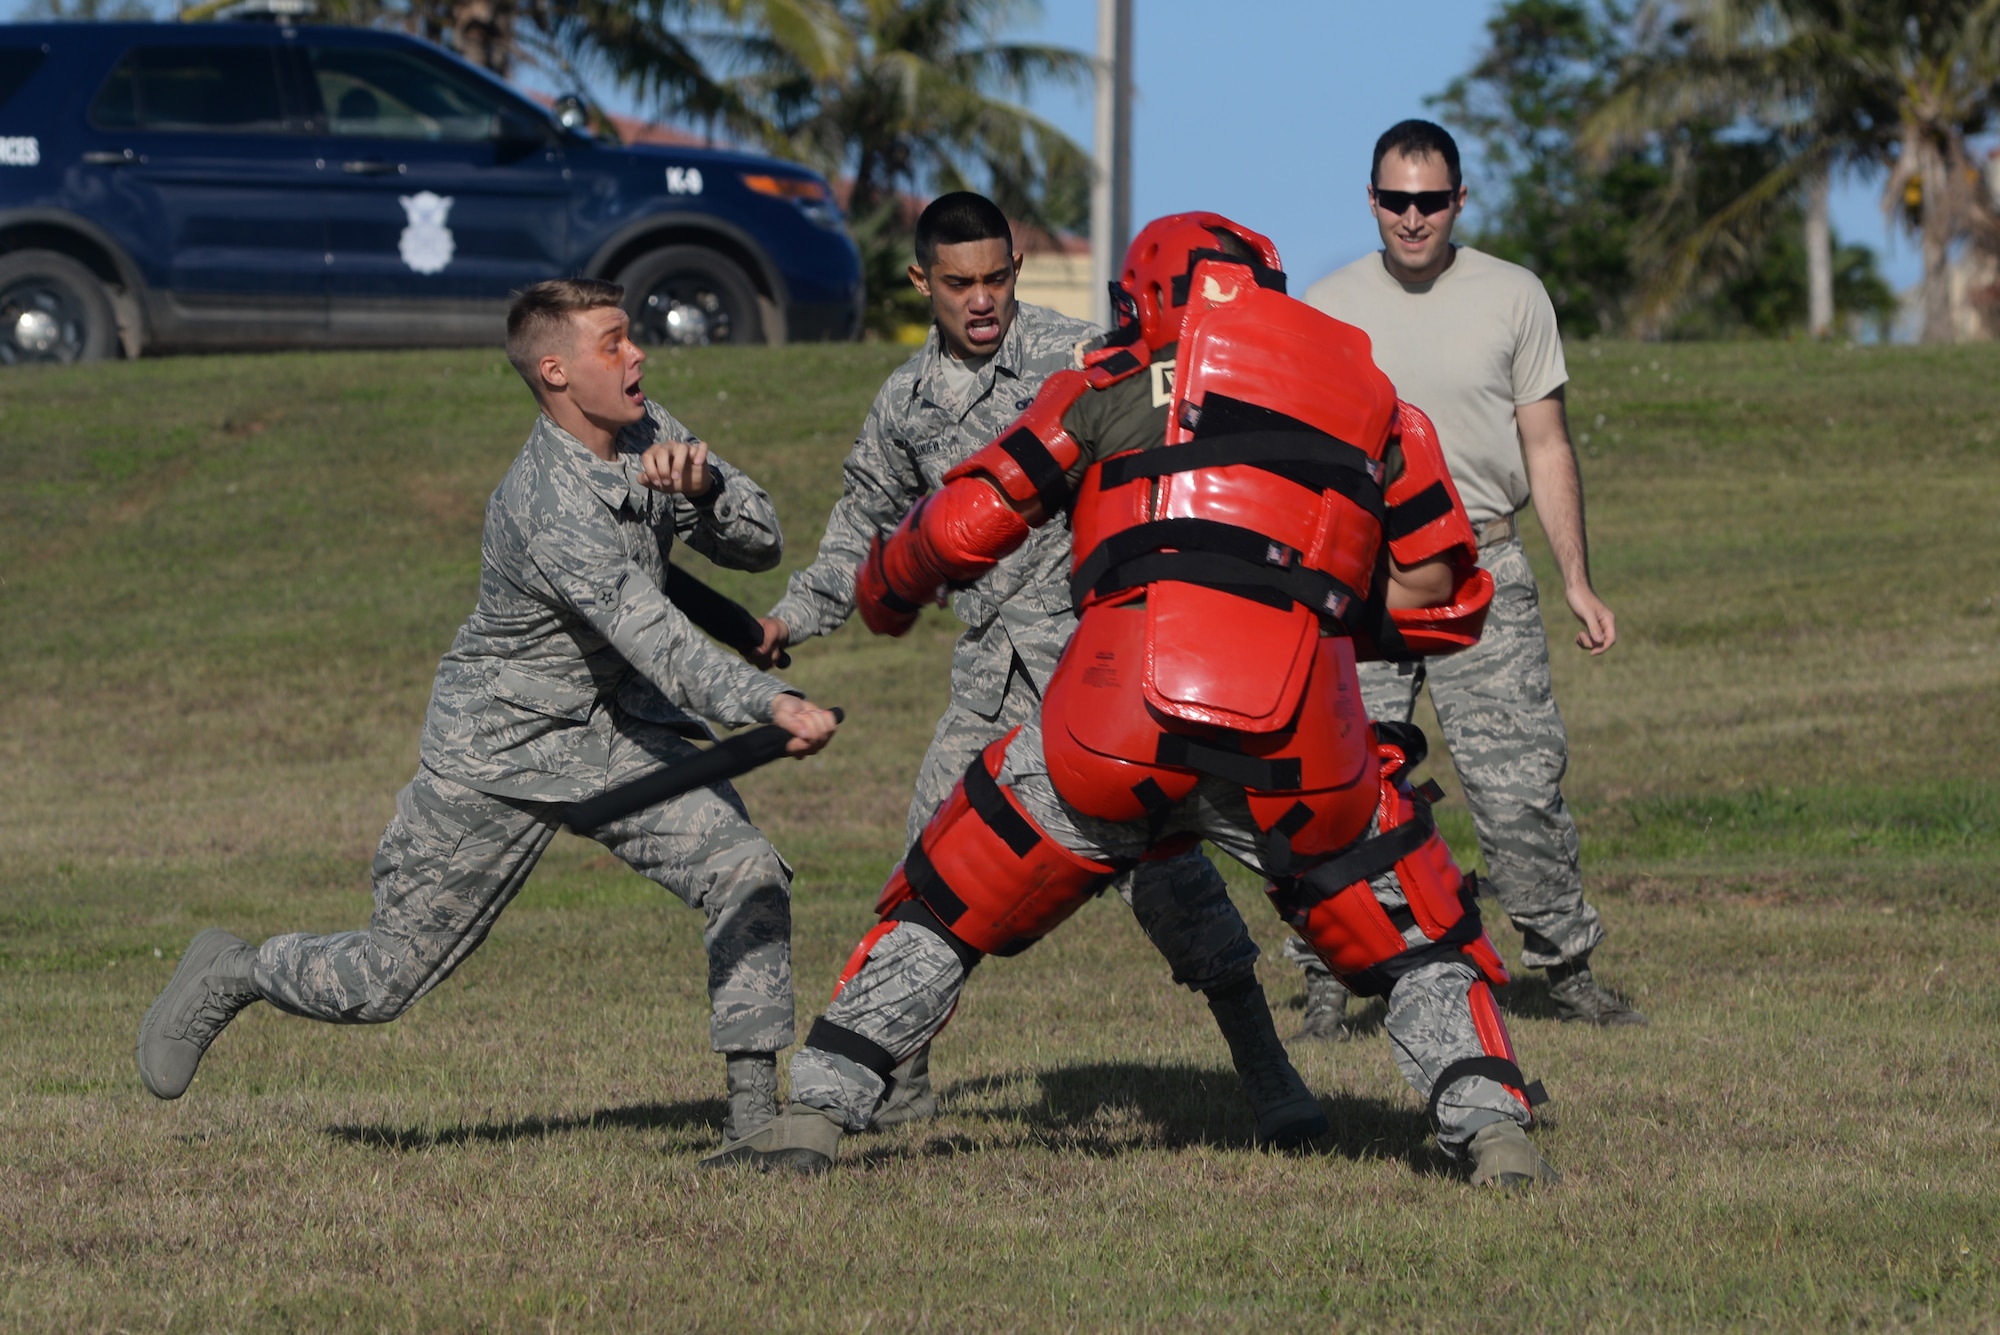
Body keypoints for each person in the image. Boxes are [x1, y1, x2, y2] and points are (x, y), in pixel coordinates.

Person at [706, 213, 1559, 1187]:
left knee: (946, 891)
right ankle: (1491, 1128)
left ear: (1141, 298)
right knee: (1413, 930)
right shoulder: (1374, 400)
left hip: (1112, 718)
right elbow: (1442, 598)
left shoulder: (1103, 380)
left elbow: (961, 522)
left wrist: (886, 589)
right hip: (1295, 732)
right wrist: (1313, 598)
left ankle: (818, 1110)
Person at [136, 279, 841, 1144]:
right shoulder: (542, 505)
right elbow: (661, 640)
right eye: (612, 343)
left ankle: (754, 1124)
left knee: (746, 868)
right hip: (500, 749)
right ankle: (237, 969)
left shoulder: (650, 428)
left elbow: (761, 539)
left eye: (631, 338)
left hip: (620, 733)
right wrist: (772, 702)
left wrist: (703, 489)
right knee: (382, 980)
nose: (638, 355)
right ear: (555, 370)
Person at [751, 192, 1321, 1145]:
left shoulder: (1086, 358)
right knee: (926, 875)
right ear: (920, 282)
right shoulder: (906, 401)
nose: (982, 300)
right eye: (960, 283)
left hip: (1108, 681)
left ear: (1018, 269)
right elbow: (859, 534)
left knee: (1175, 885)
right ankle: (896, 1088)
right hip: (991, 687)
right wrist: (788, 622)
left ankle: (1270, 1074)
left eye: (999, 278)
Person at [1288, 119, 1644, 1035]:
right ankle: (1328, 979)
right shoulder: (1324, 309)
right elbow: (1299, 462)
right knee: (1338, 786)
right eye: (1397, 201)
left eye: (1431, 201)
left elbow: (1547, 441)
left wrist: (1578, 579)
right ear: (1371, 200)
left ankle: (1566, 974)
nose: (1414, 218)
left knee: (1520, 786)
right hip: (1362, 579)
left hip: (1482, 563)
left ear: (1459, 200)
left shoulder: (1515, 297)